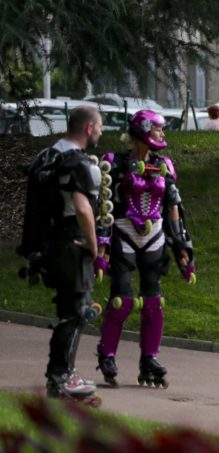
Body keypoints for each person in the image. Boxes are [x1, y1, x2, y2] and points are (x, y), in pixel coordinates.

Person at [94, 109, 197, 389]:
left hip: (155, 235)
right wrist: (101, 249)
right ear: (143, 131)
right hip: (124, 232)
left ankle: (149, 358)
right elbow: (104, 208)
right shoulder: (113, 163)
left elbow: (174, 207)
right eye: (158, 129)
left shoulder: (165, 164)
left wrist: (182, 250)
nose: (163, 134)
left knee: (154, 301)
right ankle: (107, 353)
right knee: (122, 300)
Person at [17, 106, 104, 404]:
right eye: (100, 127)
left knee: (68, 311)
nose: (102, 133)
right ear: (89, 128)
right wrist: (94, 245)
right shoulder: (77, 163)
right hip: (71, 244)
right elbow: (82, 208)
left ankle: (60, 376)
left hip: (47, 246)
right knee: (76, 312)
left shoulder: (47, 156)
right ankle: (62, 377)